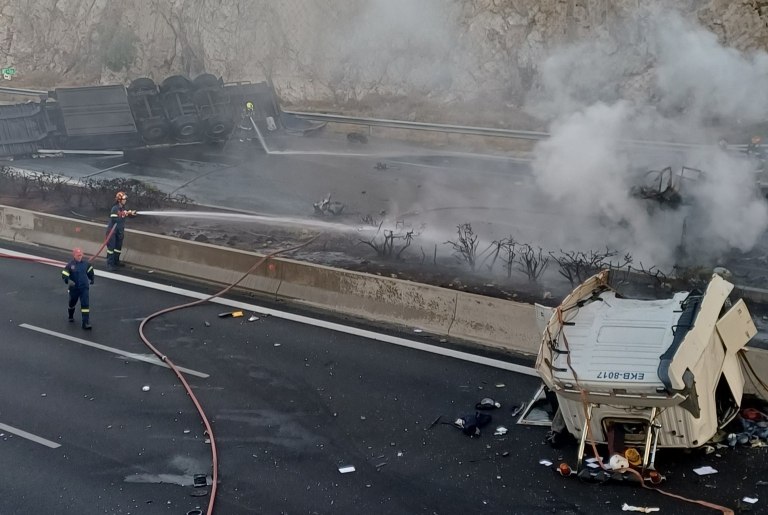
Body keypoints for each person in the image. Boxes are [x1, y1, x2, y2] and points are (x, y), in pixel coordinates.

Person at [61, 247, 94, 330]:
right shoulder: (70, 265)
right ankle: (70, 316)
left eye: (81, 255)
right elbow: (64, 275)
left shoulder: (86, 264)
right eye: (78, 255)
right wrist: (68, 281)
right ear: (74, 255)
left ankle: (85, 323)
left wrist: (92, 279)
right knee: (72, 302)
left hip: (84, 288)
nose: (79, 256)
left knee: (85, 304)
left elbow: (90, 272)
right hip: (74, 289)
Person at [106, 191, 136, 271]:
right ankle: (110, 264)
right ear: (119, 200)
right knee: (111, 248)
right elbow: (114, 218)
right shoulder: (115, 208)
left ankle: (116, 261)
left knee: (118, 248)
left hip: (119, 231)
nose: (125, 200)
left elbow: (126, 214)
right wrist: (124, 213)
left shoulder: (123, 208)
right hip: (112, 231)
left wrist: (132, 214)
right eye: (124, 199)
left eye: (125, 199)